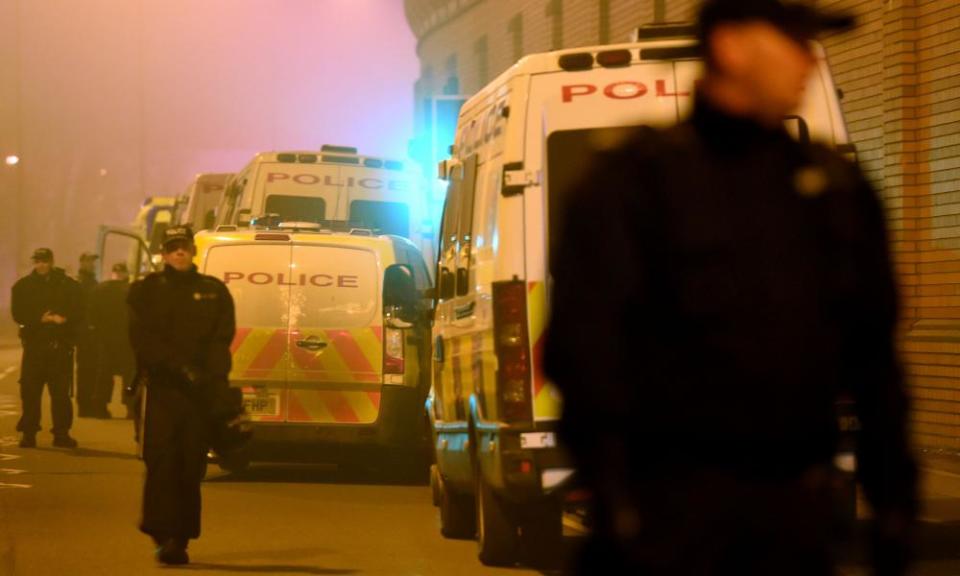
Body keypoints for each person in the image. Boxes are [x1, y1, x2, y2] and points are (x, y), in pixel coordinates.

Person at [544, 1, 916, 575]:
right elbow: (585, 357)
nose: (807, 61)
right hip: (671, 525)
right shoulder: (632, 185)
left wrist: (893, 507)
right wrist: (618, 504)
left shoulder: (835, 192)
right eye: (790, 39)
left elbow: (874, 363)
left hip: (795, 521)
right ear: (731, 47)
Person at [127, 226, 235, 565]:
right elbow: (142, 338)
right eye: (172, 247)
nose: (179, 253)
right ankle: (160, 530)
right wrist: (177, 367)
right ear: (163, 252)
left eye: (184, 247)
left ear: (192, 251)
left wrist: (214, 380)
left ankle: (181, 538)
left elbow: (221, 339)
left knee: (191, 466)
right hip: (162, 389)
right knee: (161, 462)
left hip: (199, 393)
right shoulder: (147, 290)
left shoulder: (213, 291)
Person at [10, 248, 82, 448]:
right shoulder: (23, 286)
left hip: (60, 346)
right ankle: (29, 433)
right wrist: (40, 319)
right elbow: (18, 313)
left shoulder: (68, 285)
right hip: (35, 346)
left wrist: (64, 320)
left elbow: (80, 310)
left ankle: (61, 433)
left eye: (44, 261)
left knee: (60, 394)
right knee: (30, 392)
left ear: (51, 262)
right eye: (38, 261)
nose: (41, 265)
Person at [89, 262, 135, 420]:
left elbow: (92, 314)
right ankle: (131, 408)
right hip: (127, 340)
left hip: (105, 339)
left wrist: (96, 332)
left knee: (103, 375)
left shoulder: (100, 289)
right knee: (129, 375)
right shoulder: (132, 290)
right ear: (125, 274)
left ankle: (100, 408)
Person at [75, 252, 100, 416]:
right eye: (90, 261)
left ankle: (88, 404)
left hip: (92, 333)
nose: (92, 263)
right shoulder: (81, 283)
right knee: (86, 370)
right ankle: (84, 406)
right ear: (82, 262)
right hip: (85, 334)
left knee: (91, 370)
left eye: (93, 261)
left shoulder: (91, 281)